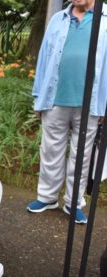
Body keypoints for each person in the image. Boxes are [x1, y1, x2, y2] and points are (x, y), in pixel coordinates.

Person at [26, 0, 107, 224]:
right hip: (55, 97)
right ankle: (47, 197)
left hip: (90, 102)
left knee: (82, 155)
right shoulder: (58, 19)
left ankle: (73, 202)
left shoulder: (105, 20)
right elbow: (44, 58)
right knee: (51, 150)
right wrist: (38, 96)